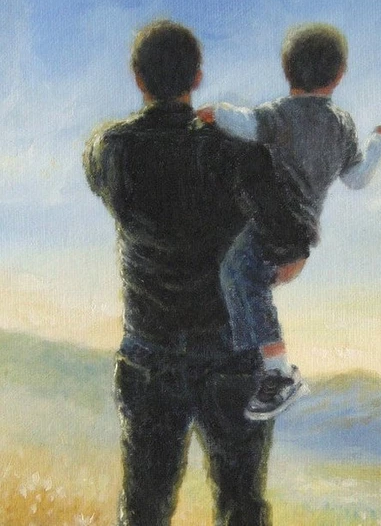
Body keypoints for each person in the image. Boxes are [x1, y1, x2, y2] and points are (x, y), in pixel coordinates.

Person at [83, 19, 310, 526]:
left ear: (138, 78)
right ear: (198, 77)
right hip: (231, 352)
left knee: (144, 506)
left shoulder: (110, 149)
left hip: (149, 352)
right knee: (242, 506)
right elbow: (292, 242)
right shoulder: (235, 150)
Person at [197, 23, 381, 420]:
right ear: (339, 75)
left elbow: (244, 124)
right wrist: (379, 142)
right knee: (246, 277)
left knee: (237, 273)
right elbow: (356, 178)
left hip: (275, 223)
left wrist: (215, 112)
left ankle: (278, 372)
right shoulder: (342, 124)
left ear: (286, 69)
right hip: (302, 230)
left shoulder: (280, 114)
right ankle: (271, 367)